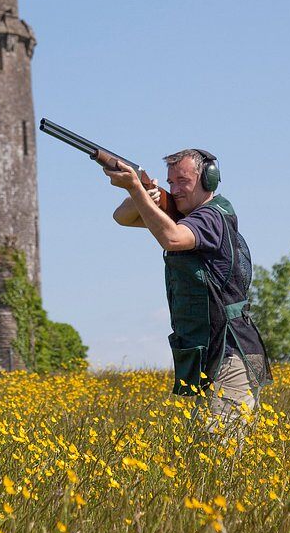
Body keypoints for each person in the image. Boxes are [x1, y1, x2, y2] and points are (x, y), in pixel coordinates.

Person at [106, 148, 272, 436]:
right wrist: (145, 192)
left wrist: (135, 187)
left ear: (208, 179)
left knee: (220, 450)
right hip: (206, 352)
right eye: (170, 183)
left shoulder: (210, 216)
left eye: (183, 181)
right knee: (204, 452)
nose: (175, 189)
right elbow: (122, 217)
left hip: (230, 351)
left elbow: (171, 238)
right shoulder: (186, 216)